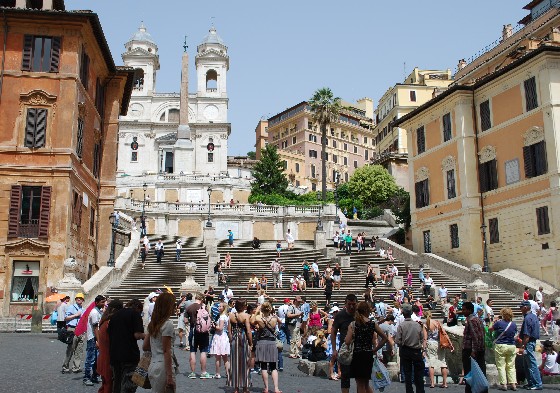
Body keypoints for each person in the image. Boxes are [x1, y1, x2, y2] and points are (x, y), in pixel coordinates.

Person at [345, 301, 389, 393]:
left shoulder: (353, 324)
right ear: (367, 310)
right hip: (368, 354)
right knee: (366, 384)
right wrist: (375, 349)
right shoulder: (372, 324)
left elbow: (347, 341)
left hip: (357, 355)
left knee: (360, 384)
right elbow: (385, 338)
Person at [108, 299, 145, 393]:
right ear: (138, 307)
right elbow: (137, 335)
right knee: (128, 385)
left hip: (114, 355)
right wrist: (149, 336)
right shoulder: (135, 314)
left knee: (117, 384)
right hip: (129, 354)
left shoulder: (114, 315)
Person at [142, 292, 176, 393]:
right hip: (163, 367)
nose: (176, 307)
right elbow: (167, 351)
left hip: (153, 365)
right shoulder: (168, 324)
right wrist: (169, 375)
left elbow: (145, 346)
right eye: (174, 305)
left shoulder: (153, 324)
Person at [395, 304, 426, 393]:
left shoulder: (401, 325)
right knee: (418, 373)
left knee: (407, 373)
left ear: (404, 314)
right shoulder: (417, 325)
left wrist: (402, 344)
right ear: (411, 313)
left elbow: (398, 340)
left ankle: (409, 391)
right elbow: (422, 338)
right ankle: (420, 390)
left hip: (405, 350)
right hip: (416, 350)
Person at [331, 294, 358, 393]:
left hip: (358, 349)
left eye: (353, 304)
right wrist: (334, 349)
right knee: (345, 377)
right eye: (349, 304)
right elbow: (333, 332)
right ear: (345, 304)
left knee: (360, 379)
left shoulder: (359, 314)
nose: (351, 306)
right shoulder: (340, 315)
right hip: (345, 350)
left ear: (357, 304)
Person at [254, 302, 282, 393]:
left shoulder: (259, 318)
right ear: (270, 309)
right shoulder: (274, 318)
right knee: (274, 366)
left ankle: (266, 388)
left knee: (264, 366)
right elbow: (280, 323)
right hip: (271, 342)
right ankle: (276, 388)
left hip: (262, 342)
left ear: (262, 309)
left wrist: (257, 312)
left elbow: (251, 321)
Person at [97, 299, 123, 393]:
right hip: (108, 358)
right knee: (108, 385)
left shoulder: (104, 321)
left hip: (103, 357)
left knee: (105, 385)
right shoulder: (110, 322)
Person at [489, 307, 518, 391]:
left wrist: (492, 321)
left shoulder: (499, 323)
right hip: (511, 345)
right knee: (511, 366)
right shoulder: (513, 324)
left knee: (501, 366)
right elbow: (515, 334)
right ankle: (513, 384)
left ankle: (504, 384)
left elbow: (490, 329)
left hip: (501, 345)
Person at [228, 299, 253, 393]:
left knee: (235, 363)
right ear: (243, 306)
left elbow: (229, 331)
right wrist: (251, 343)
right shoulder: (246, 315)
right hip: (243, 339)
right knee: (245, 363)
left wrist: (231, 340)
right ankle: (245, 388)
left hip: (234, 338)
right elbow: (248, 331)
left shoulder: (231, 315)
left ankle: (236, 388)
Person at [461, 301, 486, 393]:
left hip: (470, 350)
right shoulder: (478, 319)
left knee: (469, 374)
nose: (462, 311)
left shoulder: (471, 321)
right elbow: (482, 334)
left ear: (469, 310)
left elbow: (475, 336)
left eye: (464, 310)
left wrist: (473, 351)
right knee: (481, 372)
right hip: (480, 350)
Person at [185, 293, 211, 379]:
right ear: (202, 299)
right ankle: (203, 372)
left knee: (192, 351)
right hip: (203, 332)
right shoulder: (203, 307)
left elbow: (185, 321)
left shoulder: (189, 308)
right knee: (203, 351)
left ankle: (192, 373)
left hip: (193, 330)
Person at [425, 311, 453, 388]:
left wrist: (423, 348)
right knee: (443, 362)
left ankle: (432, 383)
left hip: (430, 344)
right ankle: (445, 383)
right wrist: (450, 344)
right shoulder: (438, 323)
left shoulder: (426, 324)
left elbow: (425, 338)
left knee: (431, 363)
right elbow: (444, 333)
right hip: (440, 344)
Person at [519, 300, 542, 390]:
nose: (520, 309)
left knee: (531, 364)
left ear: (525, 307)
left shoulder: (528, 318)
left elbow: (527, 335)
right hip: (531, 341)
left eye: (521, 307)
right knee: (527, 363)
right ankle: (531, 382)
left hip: (528, 342)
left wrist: (523, 345)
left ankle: (537, 383)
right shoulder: (533, 316)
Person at [83, 295, 106, 386]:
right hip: (93, 337)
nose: (104, 304)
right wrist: (98, 340)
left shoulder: (99, 312)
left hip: (96, 337)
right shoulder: (94, 312)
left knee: (97, 358)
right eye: (102, 302)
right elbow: (95, 328)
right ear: (97, 303)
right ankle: (87, 377)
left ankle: (95, 375)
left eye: (104, 302)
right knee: (90, 358)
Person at [62, 293, 85, 374]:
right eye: (77, 298)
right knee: (70, 348)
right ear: (75, 299)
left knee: (79, 349)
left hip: (81, 330)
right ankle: (65, 366)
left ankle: (76, 367)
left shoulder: (83, 309)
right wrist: (76, 315)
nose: (79, 299)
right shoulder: (71, 307)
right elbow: (66, 317)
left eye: (80, 298)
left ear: (83, 300)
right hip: (72, 329)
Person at [210, 301, 230, 380]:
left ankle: (218, 373)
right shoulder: (226, 316)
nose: (219, 308)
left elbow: (220, 328)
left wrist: (214, 326)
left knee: (218, 357)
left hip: (219, 336)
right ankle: (228, 373)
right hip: (224, 336)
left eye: (220, 306)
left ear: (224, 308)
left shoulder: (222, 317)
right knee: (225, 358)